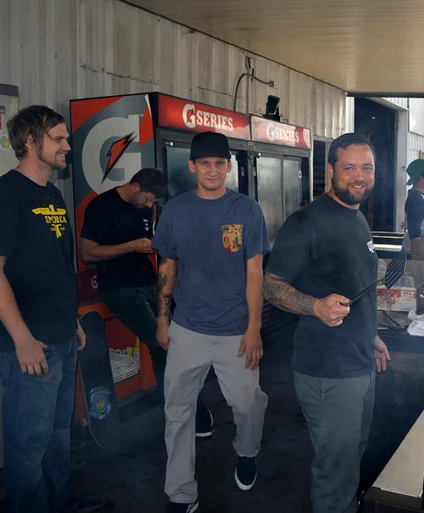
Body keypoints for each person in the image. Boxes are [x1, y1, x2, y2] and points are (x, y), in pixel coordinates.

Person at [0, 105, 106, 513]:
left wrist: (71, 321)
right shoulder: (3, 194)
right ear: (30, 142)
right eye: (59, 138)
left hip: (61, 337)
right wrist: (22, 339)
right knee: (27, 444)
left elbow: (54, 263)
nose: (68, 145)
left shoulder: (51, 193)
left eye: (66, 137)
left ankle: (58, 501)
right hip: (29, 344)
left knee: (57, 433)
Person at [263, 132, 391, 513]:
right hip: (326, 373)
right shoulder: (307, 221)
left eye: (366, 168)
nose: (359, 176)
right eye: (349, 167)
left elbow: (357, 289)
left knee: (353, 459)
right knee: (335, 475)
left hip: (358, 363)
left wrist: (372, 336)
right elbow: (271, 286)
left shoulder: (357, 219)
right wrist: (315, 306)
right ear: (330, 170)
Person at [153, 131, 269, 513]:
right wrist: (162, 318)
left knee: (248, 405)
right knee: (177, 413)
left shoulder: (246, 210)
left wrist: (254, 329)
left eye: (220, 163)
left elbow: (255, 274)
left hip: (236, 330)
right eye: (205, 164)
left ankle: (246, 451)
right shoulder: (175, 210)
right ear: (192, 166)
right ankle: (181, 492)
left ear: (229, 166)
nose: (213, 170)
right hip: (187, 328)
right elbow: (166, 267)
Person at [80, 168, 214, 437]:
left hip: (148, 283)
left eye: (154, 202)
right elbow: (86, 253)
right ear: (135, 185)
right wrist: (131, 246)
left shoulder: (144, 208)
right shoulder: (101, 206)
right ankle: (186, 412)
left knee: (172, 341)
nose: (150, 206)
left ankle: (182, 411)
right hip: (119, 288)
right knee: (162, 343)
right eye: (148, 199)